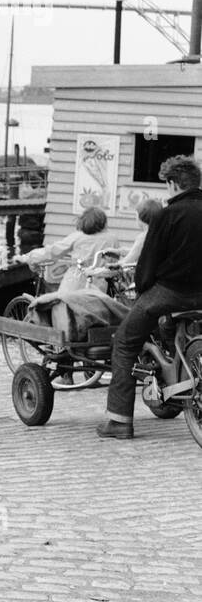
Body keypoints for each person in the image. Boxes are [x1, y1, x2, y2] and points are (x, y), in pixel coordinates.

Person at [101, 155, 202, 439]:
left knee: (124, 342)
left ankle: (119, 421)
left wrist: (141, 288)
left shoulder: (165, 215)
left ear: (172, 184)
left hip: (171, 293)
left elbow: (147, 266)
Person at [16, 206, 119, 294]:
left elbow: (53, 251)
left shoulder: (78, 236)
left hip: (76, 282)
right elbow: (115, 262)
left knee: (61, 308)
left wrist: (30, 257)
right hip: (99, 285)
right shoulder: (112, 238)